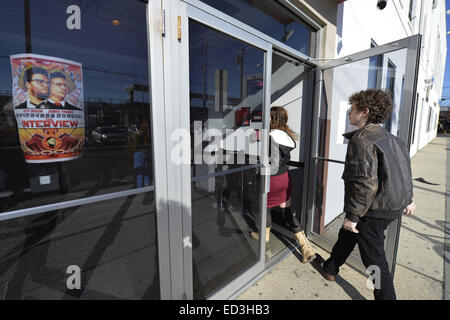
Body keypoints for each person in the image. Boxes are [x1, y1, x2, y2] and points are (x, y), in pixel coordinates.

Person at [312, 89, 416, 300]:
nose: (349, 112)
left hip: (373, 211)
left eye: (353, 108)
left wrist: (353, 215)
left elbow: (363, 183)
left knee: (375, 262)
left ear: (364, 112)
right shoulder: (393, 139)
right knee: (347, 236)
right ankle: (331, 267)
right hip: (390, 206)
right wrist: (409, 199)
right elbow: (404, 171)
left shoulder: (362, 140)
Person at [250, 106, 316, 263]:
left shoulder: (269, 135)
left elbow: (252, 137)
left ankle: (264, 236)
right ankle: (306, 248)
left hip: (270, 179)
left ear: (271, 120)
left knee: (265, 206)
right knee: (286, 212)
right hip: (284, 178)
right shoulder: (287, 136)